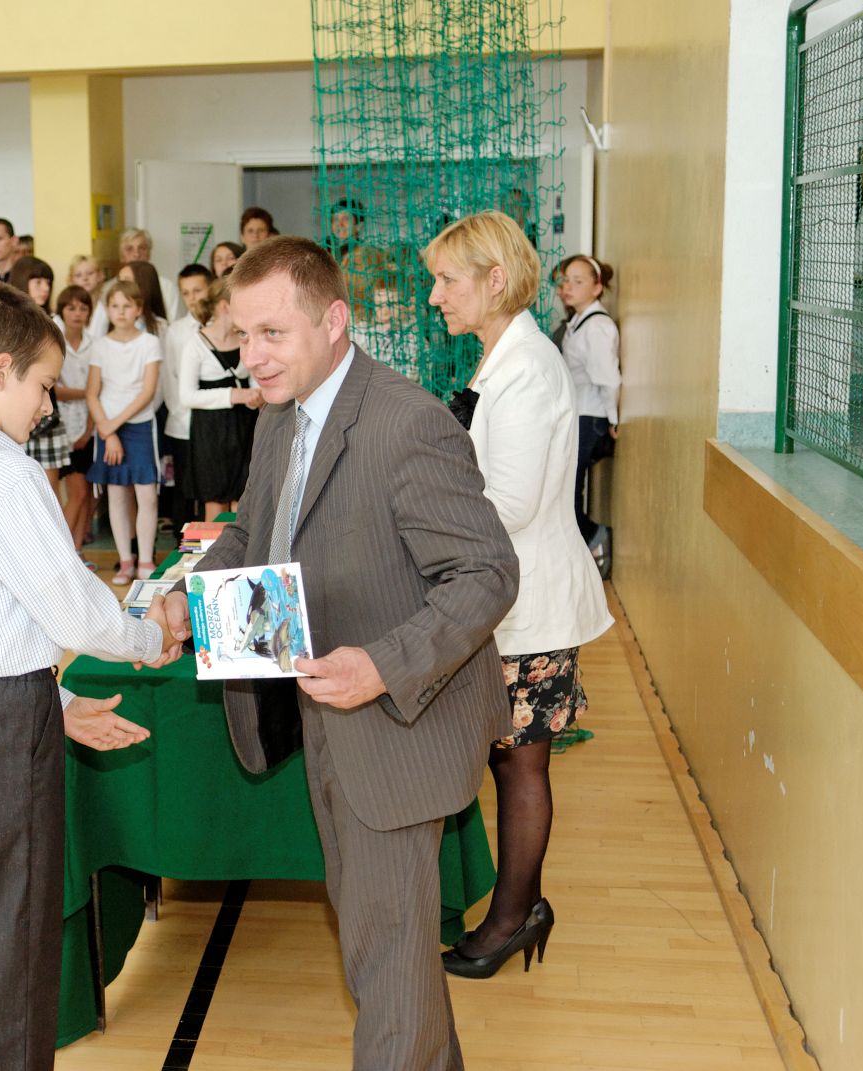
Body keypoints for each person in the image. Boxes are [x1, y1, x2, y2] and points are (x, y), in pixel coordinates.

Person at [159, 236, 519, 1070]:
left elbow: (487, 573)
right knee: (385, 952)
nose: (251, 357)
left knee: (385, 956)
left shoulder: (406, 423)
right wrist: (188, 600)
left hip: (397, 724)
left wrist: (382, 664)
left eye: (272, 334)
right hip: (327, 715)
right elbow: (250, 532)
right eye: (242, 335)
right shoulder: (281, 413)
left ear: (334, 322)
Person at [0, 280, 181, 1071]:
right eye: (44, 386)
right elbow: (70, 607)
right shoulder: (5, 474)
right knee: (13, 929)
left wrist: (56, 699)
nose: (48, 406)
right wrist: (147, 636)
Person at [423, 211, 613, 982]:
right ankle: (517, 908)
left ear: (494, 280)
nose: (436, 295)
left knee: (521, 767)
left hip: (526, 601)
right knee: (510, 763)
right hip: (508, 595)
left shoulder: (528, 369)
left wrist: (422, 523)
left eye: (447, 279)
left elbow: (510, 503)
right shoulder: (507, 357)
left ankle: (512, 918)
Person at [86, 280, 162, 585]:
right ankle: (126, 562)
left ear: (138, 309)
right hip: (108, 429)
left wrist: (113, 425)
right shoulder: (100, 346)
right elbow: (92, 393)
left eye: (127, 306)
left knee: (147, 496)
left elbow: (147, 392)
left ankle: (145, 560)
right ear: (107, 310)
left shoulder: (149, 343)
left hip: (138, 425)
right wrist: (108, 433)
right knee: (117, 494)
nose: (120, 311)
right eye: (114, 306)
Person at [179, 278, 260, 519]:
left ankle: (242, 545)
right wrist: (231, 395)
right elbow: (187, 396)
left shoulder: (246, 338)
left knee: (243, 499)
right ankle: (217, 545)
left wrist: (257, 396)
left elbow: (255, 379)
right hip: (211, 432)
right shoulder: (196, 344)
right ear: (225, 306)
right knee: (215, 500)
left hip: (244, 427)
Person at [556, 254, 621, 552]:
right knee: (565, 488)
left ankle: (594, 539)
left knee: (567, 489)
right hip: (579, 414)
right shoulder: (579, 322)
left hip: (590, 418)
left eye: (578, 281)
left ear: (597, 288)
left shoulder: (597, 327)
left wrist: (613, 420)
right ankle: (587, 542)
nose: (568, 287)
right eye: (566, 280)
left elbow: (609, 379)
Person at [160, 264, 212, 527]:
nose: (192, 298)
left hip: (214, 422)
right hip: (182, 423)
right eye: (186, 293)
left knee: (210, 488)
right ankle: (181, 543)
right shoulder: (176, 330)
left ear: (211, 289)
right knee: (183, 487)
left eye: (198, 290)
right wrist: (182, 412)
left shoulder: (221, 326)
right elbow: (169, 378)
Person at [10, 257, 68, 493]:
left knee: (48, 491)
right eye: (38, 282)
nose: (45, 288)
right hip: (14, 413)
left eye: (48, 283)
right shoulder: (7, 322)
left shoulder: (53, 323)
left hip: (44, 415)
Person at [53, 285, 96, 552]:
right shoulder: (54, 342)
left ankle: (77, 551)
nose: (77, 313)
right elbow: (55, 390)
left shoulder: (95, 343)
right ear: (62, 311)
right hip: (61, 426)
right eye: (71, 308)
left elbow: (99, 390)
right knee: (76, 492)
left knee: (86, 493)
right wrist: (87, 392)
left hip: (88, 426)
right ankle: (61, 551)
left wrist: (89, 430)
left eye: (83, 308)